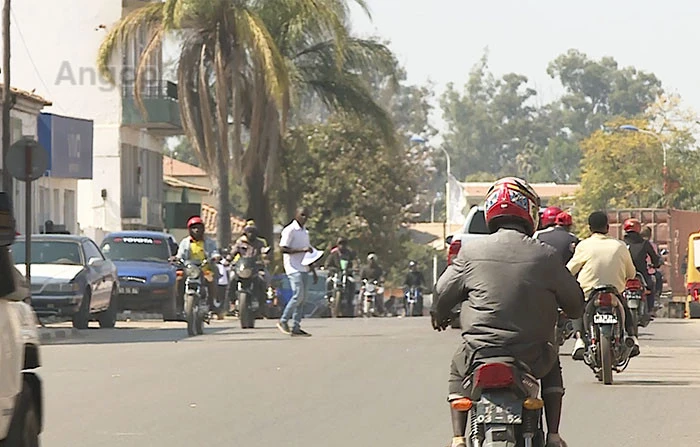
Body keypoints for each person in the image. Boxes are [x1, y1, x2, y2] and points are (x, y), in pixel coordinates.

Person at [432, 177, 584, 447]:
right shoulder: (546, 255)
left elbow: (442, 292)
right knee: (552, 365)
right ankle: (553, 435)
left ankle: (457, 438)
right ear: (530, 213)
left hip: (479, 351)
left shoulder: (469, 251)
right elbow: (575, 303)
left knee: (458, 366)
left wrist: (439, 315)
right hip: (531, 354)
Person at [566, 212, 639, 360]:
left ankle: (579, 339)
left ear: (589, 228)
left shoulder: (584, 245)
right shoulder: (620, 246)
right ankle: (632, 337)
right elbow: (631, 273)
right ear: (607, 227)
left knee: (577, 308)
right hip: (614, 291)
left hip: (588, 292)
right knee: (625, 308)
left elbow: (570, 270)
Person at [277, 207, 317, 337]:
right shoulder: (290, 230)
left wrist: (313, 270)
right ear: (296, 215)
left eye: (307, 216)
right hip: (292, 267)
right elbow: (283, 249)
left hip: (303, 267)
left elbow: (308, 253)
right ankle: (283, 320)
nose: (305, 218)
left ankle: (296, 326)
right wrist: (302, 250)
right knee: (298, 295)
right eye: (302, 215)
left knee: (303, 298)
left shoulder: (305, 232)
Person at [176, 216, 221, 304]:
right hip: (189, 269)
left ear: (203, 229)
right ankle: (179, 303)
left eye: (199, 228)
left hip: (205, 268)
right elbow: (180, 254)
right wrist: (176, 259)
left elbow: (214, 252)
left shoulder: (209, 242)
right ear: (189, 230)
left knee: (210, 279)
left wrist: (216, 257)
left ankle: (213, 302)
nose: (196, 230)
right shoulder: (185, 242)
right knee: (178, 278)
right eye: (194, 228)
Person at [231, 220, 271, 310]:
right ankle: (232, 301)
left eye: (253, 231)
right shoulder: (240, 242)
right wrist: (227, 260)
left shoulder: (260, 243)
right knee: (232, 278)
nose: (251, 234)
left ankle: (262, 302)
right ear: (245, 232)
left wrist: (265, 257)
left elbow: (263, 252)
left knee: (263, 279)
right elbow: (233, 252)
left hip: (255, 268)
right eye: (249, 231)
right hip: (242, 268)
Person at [624, 219, 662, 314]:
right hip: (641, 273)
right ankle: (650, 310)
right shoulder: (645, 243)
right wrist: (656, 264)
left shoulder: (621, 243)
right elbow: (655, 258)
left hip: (624, 274)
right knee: (650, 286)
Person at [641, 226, 663, 315]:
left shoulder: (632, 244)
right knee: (657, 277)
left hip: (637, 271)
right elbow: (656, 258)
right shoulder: (651, 245)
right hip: (648, 271)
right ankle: (656, 298)